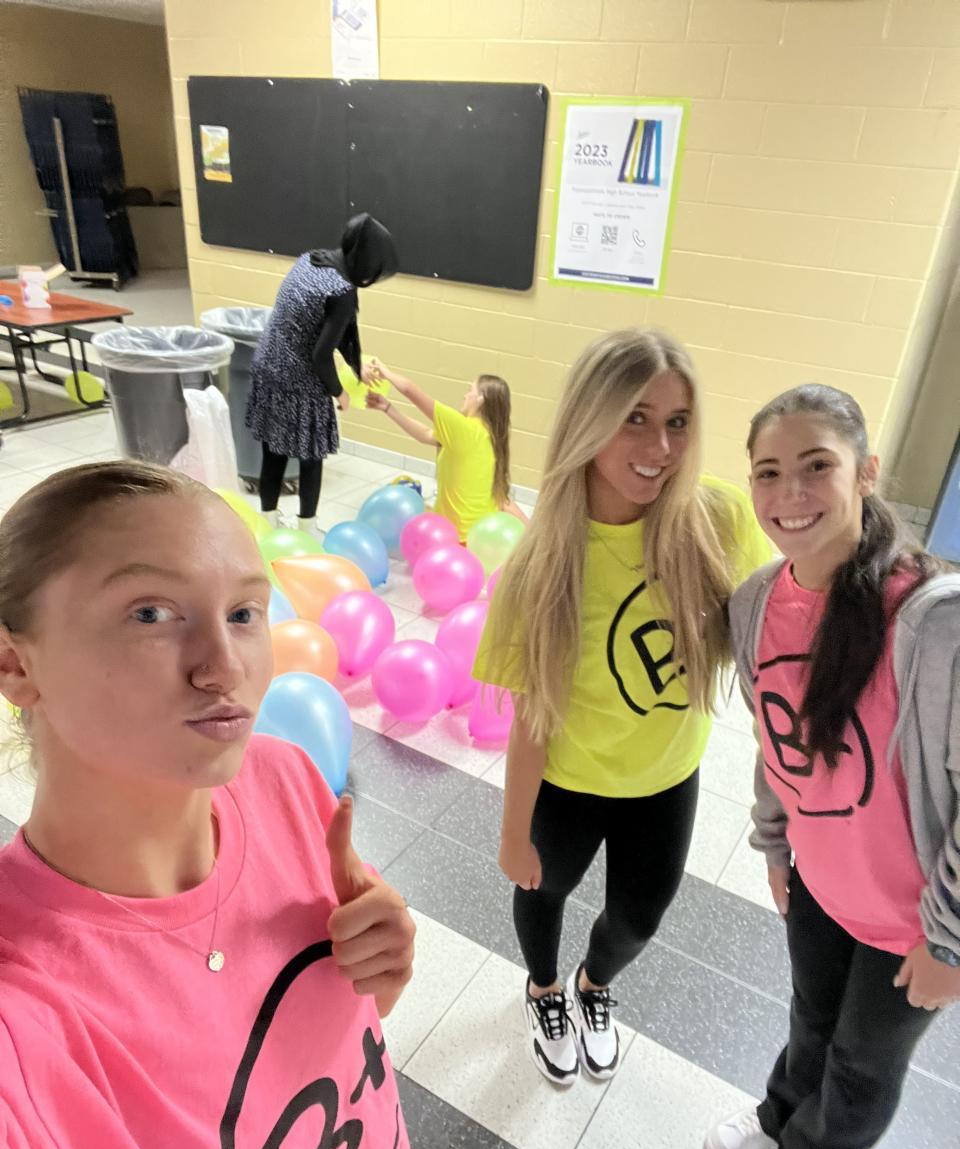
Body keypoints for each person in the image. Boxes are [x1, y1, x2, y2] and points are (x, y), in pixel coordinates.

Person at [0, 462, 440, 1149]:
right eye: (151, 612)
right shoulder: (23, 1013)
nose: (224, 665)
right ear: (14, 663)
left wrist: (378, 968)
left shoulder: (283, 780)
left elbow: (321, 1047)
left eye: (243, 613)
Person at [474, 329, 770, 1086]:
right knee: (543, 891)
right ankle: (545, 989)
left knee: (639, 919)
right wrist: (513, 832)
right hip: (569, 784)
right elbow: (532, 718)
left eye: (677, 422)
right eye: (635, 417)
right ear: (589, 418)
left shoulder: (718, 522)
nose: (660, 446)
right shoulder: (540, 566)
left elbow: (776, 631)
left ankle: (592, 984)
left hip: (667, 779)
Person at [706, 384, 960, 1149]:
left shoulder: (933, 621)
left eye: (817, 466)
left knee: (862, 1060)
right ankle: (782, 1115)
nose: (790, 493)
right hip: (820, 882)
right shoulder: (755, 603)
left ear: (866, 473)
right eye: (768, 472)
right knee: (812, 1019)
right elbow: (774, 741)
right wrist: (775, 846)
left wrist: (951, 941)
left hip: (914, 922)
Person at [246, 213, 398, 532]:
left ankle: (267, 522)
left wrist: (356, 368)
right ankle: (308, 529)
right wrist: (339, 392)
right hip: (298, 378)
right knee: (311, 456)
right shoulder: (342, 291)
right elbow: (320, 354)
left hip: (267, 364)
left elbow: (321, 327)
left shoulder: (311, 260)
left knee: (273, 451)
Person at [365, 363, 526, 539]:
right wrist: (388, 408)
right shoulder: (491, 435)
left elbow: (410, 390)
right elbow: (425, 434)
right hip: (481, 536)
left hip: (458, 537)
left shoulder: (465, 429)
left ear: (481, 399)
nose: (465, 395)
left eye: (470, 390)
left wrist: (385, 372)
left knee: (403, 512)